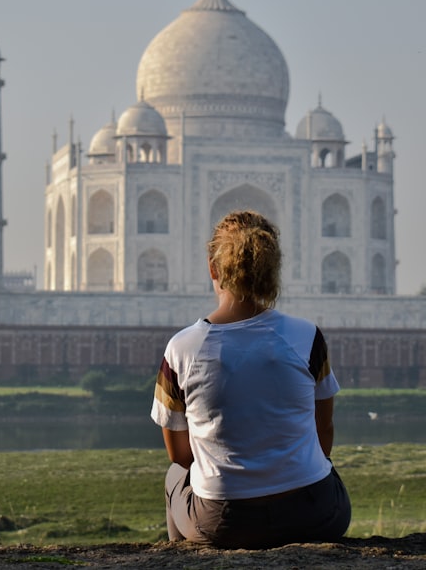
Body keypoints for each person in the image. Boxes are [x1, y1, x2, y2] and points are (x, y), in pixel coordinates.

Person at [150, 210, 352, 549]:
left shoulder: (181, 348)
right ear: (272, 271)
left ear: (213, 269)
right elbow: (324, 431)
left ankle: (182, 558)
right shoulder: (307, 336)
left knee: (175, 477)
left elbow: (180, 455)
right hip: (316, 513)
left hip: (225, 522)